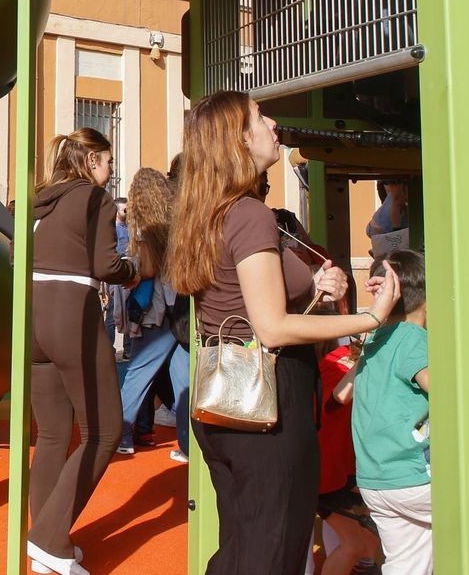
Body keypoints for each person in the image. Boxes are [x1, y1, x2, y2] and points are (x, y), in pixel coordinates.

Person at [168, 90, 401, 575]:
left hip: (225, 399)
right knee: (271, 552)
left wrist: (312, 286)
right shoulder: (250, 214)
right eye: (259, 117)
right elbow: (271, 327)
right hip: (268, 404)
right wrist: (372, 318)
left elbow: (240, 303)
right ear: (237, 140)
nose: (273, 124)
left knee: (241, 547)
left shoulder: (207, 214)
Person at [26, 129, 139, 574]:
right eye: (108, 162)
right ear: (91, 160)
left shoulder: (38, 199)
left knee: (53, 434)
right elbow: (106, 266)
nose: (111, 173)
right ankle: (49, 538)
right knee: (104, 430)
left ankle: (48, 537)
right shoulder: (94, 199)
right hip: (73, 312)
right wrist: (136, 268)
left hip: (32, 316)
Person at [344, 250, 432, 575]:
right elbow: (440, 387)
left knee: (407, 563)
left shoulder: (375, 340)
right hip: (415, 476)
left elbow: (342, 394)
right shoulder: (412, 338)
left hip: (375, 480)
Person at [113, 167, 191, 461]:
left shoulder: (146, 226)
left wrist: (128, 272)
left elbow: (147, 269)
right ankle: (187, 444)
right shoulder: (179, 220)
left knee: (138, 373)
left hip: (155, 310)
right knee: (183, 379)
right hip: (181, 307)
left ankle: (120, 434)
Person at [314, 341, 382, 575]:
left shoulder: (337, 358)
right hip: (329, 470)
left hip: (348, 467)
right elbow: (337, 399)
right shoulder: (339, 363)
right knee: (354, 546)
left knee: (364, 546)